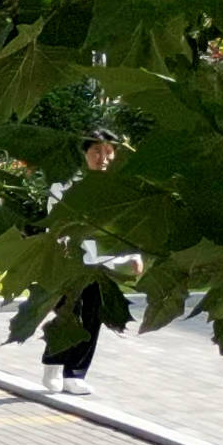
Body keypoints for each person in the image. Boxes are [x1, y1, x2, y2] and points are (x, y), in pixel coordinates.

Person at [41, 137, 130, 393]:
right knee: (68, 313)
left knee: (93, 315)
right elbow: (59, 224)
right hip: (69, 262)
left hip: (102, 264)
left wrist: (127, 258)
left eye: (108, 152)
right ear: (84, 153)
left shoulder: (117, 188)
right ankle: (54, 364)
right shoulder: (65, 185)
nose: (102, 158)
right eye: (96, 151)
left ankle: (75, 373)